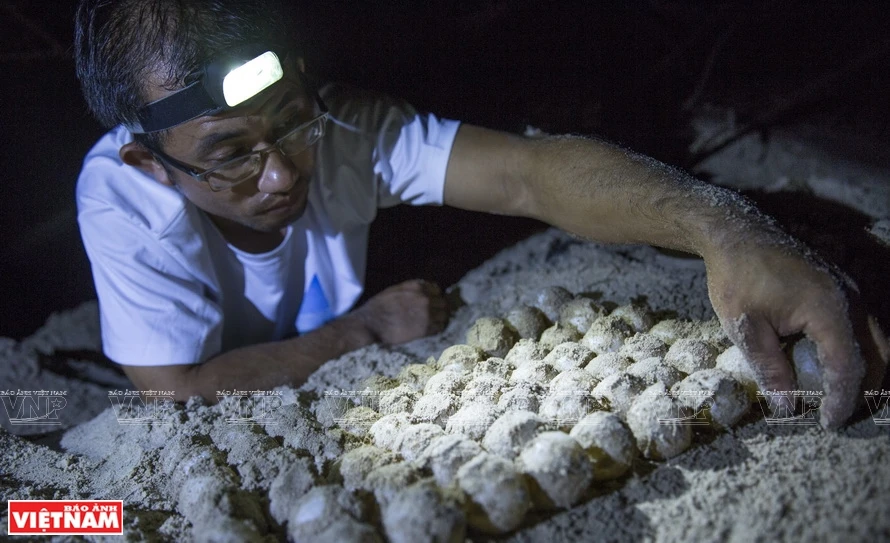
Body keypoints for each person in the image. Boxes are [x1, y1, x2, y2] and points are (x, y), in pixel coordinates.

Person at [73, 0, 886, 428]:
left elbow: (529, 174)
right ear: (151, 161)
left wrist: (726, 229)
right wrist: (356, 332)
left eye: (290, 116)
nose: (281, 168)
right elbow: (171, 386)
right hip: (240, 352)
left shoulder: (344, 123)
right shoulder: (124, 204)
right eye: (229, 154)